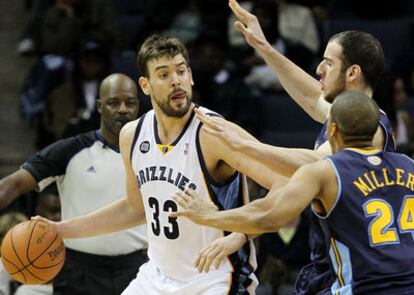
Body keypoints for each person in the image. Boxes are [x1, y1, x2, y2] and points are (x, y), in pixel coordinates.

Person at [191, 1, 396, 294]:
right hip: (331, 267)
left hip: (356, 274)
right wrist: (263, 47)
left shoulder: (371, 128)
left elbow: (313, 163)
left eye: (328, 62)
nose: (319, 69)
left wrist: (245, 146)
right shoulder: (349, 117)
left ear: (352, 73)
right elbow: (312, 97)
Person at [33, 34, 258, 295]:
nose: (176, 80)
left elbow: (287, 184)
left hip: (215, 280)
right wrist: (61, 229)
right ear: (145, 85)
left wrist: (240, 234)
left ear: (191, 76)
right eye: (163, 74)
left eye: (181, 71)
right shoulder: (132, 135)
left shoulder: (214, 132)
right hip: (157, 277)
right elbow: (134, 208)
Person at [172, 91, 414, 294]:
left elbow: (270, 217)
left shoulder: (326, 172)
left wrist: (208, 216)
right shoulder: (408, 164)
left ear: (332, 131)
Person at [0, 73, 148, 295]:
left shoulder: (153, 152)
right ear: (99, 106)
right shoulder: (70, 150)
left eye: (130, 102)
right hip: (78, 270)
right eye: (113, 103)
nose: (123, 109)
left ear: (138, 105)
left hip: (137, 268)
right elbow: (12, 185)